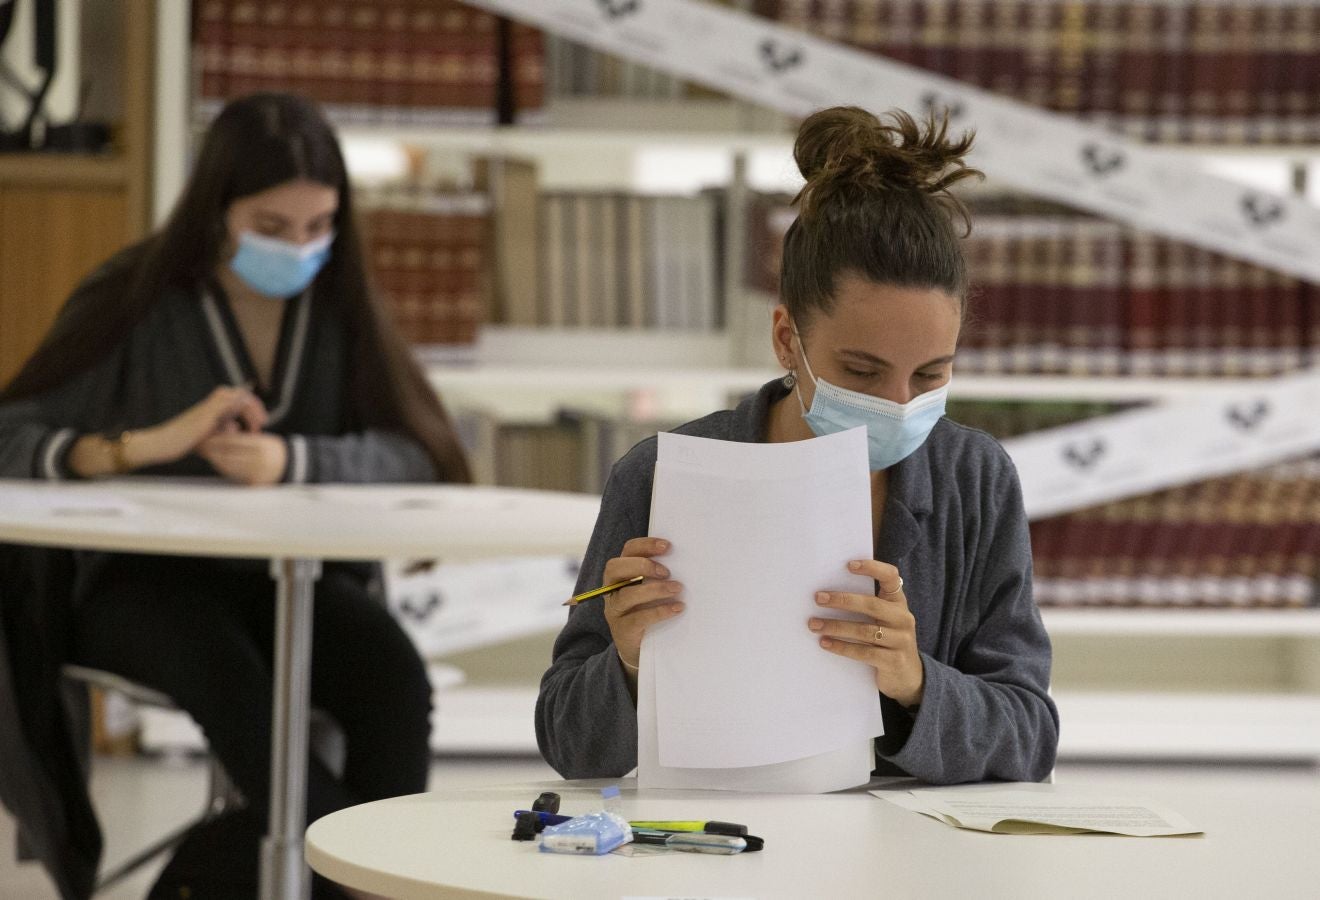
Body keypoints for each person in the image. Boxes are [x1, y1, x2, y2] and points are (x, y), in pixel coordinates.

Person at [0, 93, 469, 897]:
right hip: (138, 586)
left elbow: (420, 454)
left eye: (319, 226)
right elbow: (11, 432)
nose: (300, 248)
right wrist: (144, 445)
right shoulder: (134, 296)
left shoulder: (340, 306)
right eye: (273, 228)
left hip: (291, 579)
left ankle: (352, 872)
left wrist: (292, 460)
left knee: (392, 675)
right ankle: (375, 882)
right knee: (238, 686)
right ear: (216, 210)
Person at [536, 106, 1058, 786]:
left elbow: (1031, 734)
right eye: (863, 372)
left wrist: (914, 682)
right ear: (787, 339)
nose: (900, 405)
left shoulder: (976, 480)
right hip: (718, 842)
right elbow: (566, 743)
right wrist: (630, 663)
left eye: (931, 374)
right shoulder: (663, 475)